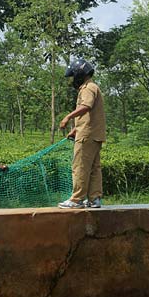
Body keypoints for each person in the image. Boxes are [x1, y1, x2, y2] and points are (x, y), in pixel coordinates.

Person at [58, 58, 106, 209]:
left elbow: (86, 106)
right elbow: (88, 115)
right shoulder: (93, 87)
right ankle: (94, 199)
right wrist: (76, 129)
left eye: (74, 75)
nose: (73, 79)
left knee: (79, 166)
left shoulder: (87, 88)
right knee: (93, 167)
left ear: (80, 74)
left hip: (87, 136)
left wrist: (68, 117)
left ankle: (76, 199)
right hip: (94, 134)